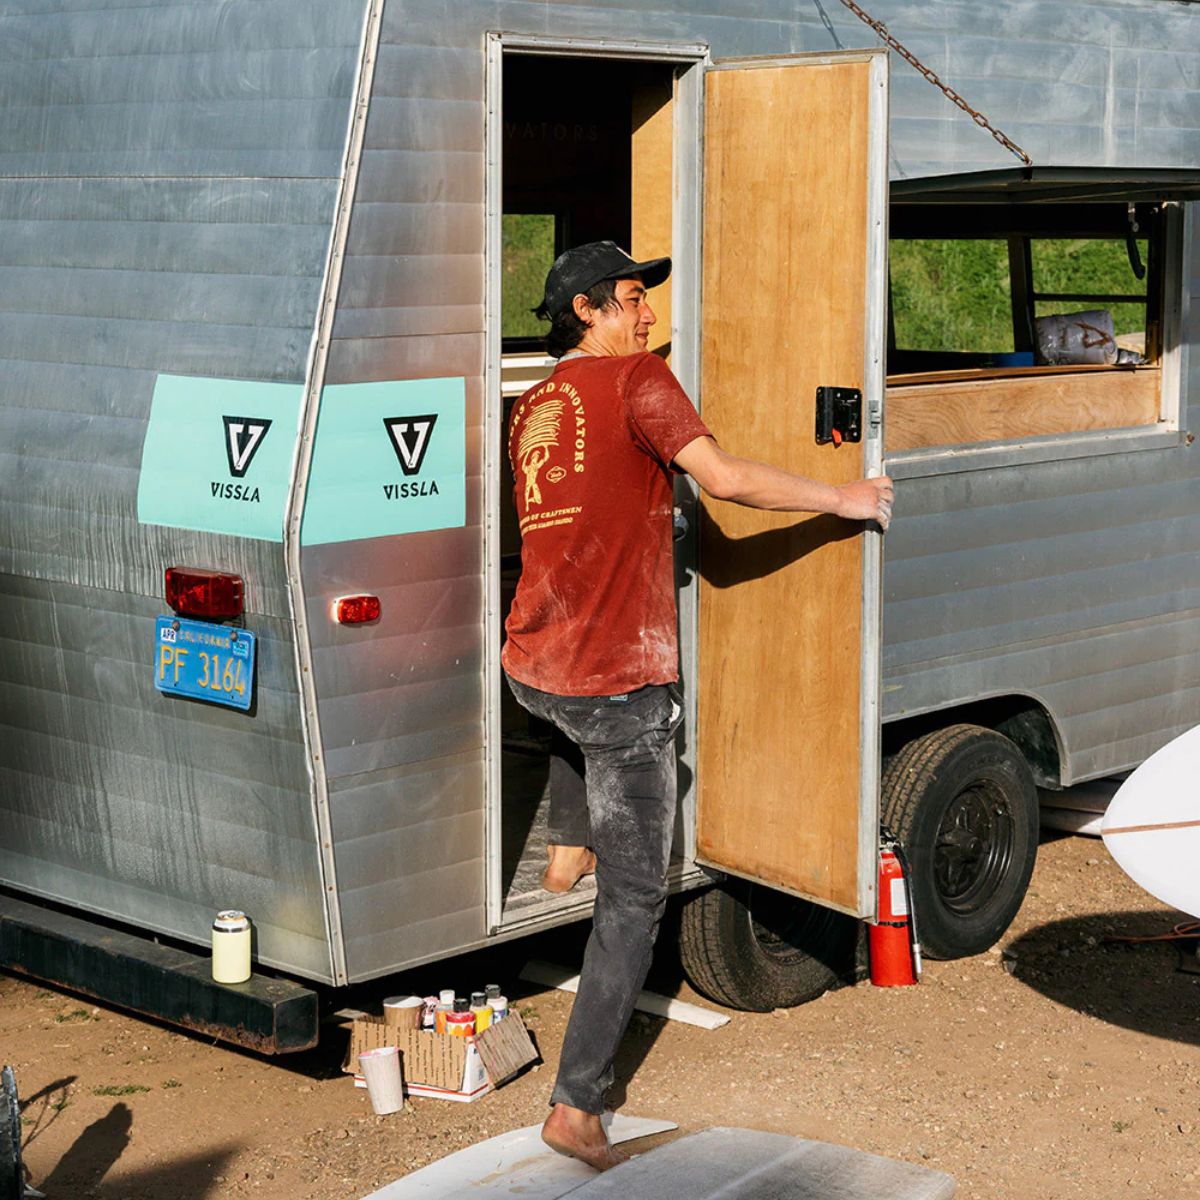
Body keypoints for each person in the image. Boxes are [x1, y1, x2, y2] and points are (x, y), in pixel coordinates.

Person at [502, 241, 893, 1170]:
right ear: (590, 312)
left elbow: (585, 503)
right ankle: (577, 1106)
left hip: (535, 661)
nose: (648, 318)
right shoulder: (639, 379)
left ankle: (566, 853)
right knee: (636, 899)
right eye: (632, 301)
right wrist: (843, 496)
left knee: (570, 728)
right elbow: (725, 480)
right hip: (614, 677)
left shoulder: (536, 403)